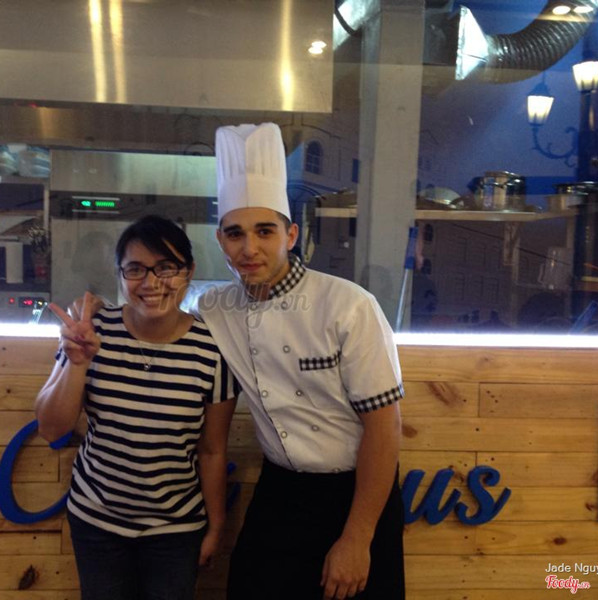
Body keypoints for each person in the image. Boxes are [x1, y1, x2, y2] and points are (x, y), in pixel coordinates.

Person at [197, 122, 405, 600]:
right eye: (235, 234)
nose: (249, 248)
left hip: (356, 494)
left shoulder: (349, 305)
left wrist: (357, 538)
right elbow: (160, 323)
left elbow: (385, 427)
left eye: (264, 231)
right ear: (220, 240)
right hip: (280, 492)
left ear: (291, 235)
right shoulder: (214, 309)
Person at [36, 215, 237, 600]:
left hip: (176, 529)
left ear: (189, 272)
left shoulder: (212, 351)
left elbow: (212, 450)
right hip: (96, 520)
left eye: (166, 267)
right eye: (135, 269)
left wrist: (215, 527)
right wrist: (77, 363)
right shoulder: (93, 331)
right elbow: (51, 428)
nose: (151, 281)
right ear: (120, 274)